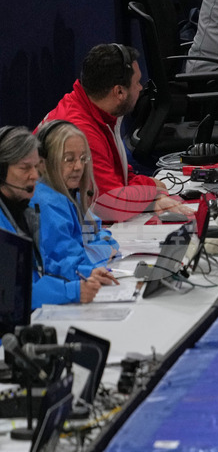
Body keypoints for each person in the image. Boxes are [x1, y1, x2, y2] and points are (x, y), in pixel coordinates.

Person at [44, 44, 186, 222]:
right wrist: (151, 188)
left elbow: (119, 178)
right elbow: (111, 205)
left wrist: (150, 195)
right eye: (137, 83)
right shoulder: (81, 132)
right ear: (119, 91)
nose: (140, 88)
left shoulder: (92, 110)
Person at [0, 126, 106, 307]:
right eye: (25, 168)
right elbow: (12, 293)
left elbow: (42, 266)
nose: (34, 175)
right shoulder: (41, 204)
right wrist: (71, 290)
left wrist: (86, 273)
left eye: (35, 166)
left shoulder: (23, 211)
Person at [31, 120, 120, 285]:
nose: (79, 166)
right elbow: (74, 263)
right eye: (68, 159)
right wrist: (104, 249)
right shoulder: (45, 203)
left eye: (83, 158)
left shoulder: (72, 195)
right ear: (43, 163)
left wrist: (99, 247)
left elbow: (100, 233)